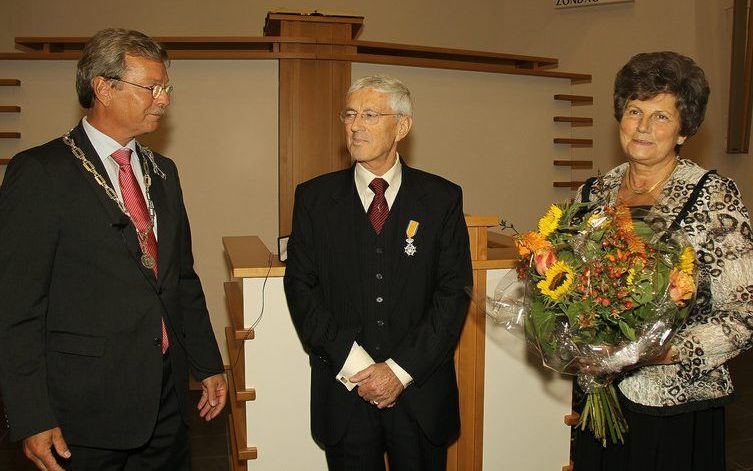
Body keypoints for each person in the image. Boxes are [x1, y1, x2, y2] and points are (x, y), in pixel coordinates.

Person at [0, 28, 227, 470]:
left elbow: (180, 279)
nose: (163, 99)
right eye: (152, 87)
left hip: (165, 400)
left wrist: (208, 363)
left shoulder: (164, 172)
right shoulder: (41, 173)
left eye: (166, 88)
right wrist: (30, 414)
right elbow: (17, 307)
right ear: (104, 87)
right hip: (82, 412)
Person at [573, 51, 753, 470]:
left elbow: (745, 312)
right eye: (635, 111)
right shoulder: (592, 194)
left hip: (676, 402)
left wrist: (661, 350)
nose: (643, 127)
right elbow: (570, 286)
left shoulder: (714, 196)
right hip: (600, 396)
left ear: (683, 131)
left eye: (660, 117)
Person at [283, 75, 473, 470]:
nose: (355, 125)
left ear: (402, 126)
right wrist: (358, 368)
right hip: (345, 395)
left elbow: (453, 293)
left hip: (419, 393)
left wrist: (399, 372)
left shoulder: (442, 199)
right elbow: (301, 288)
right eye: (350, 114)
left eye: (370, 115)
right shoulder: (315, 199)